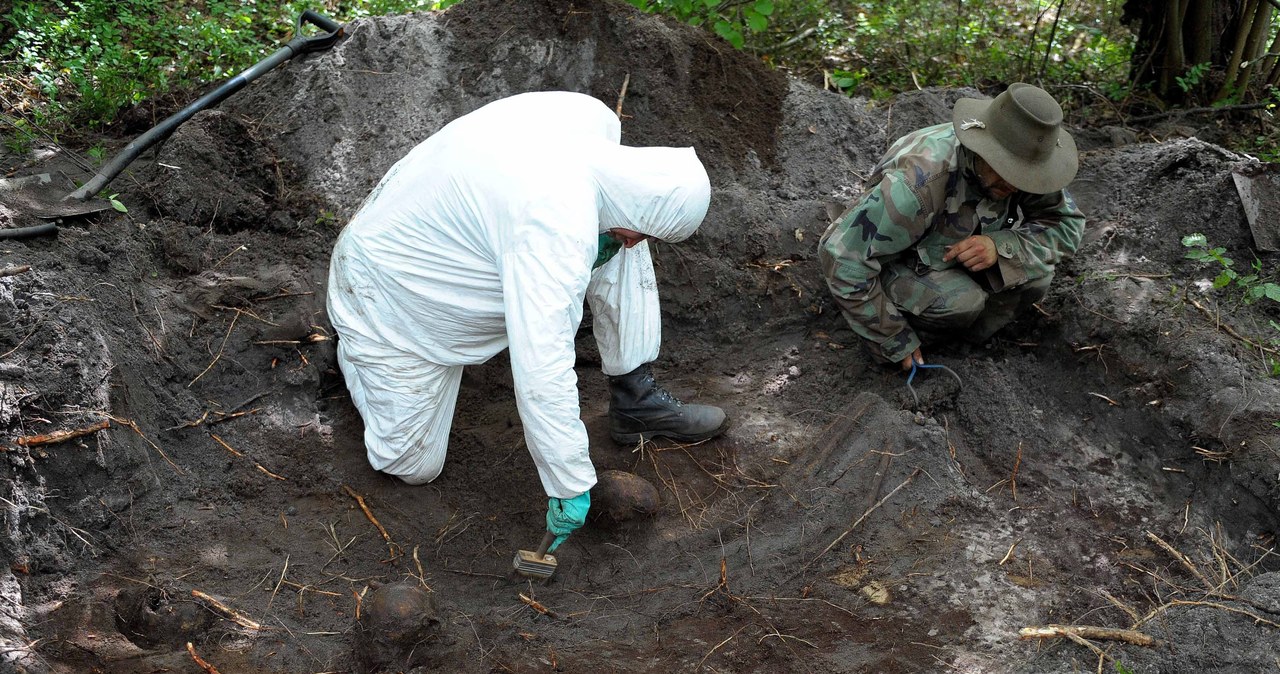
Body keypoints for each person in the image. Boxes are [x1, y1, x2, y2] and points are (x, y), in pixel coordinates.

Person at [326, 92, 728, 552]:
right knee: (411, 464)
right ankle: (356, 348)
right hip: (392, 294)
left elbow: (614, 230)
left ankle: (636, 397)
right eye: (645, 231)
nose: (638, 243)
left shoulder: (590, 125)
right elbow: (542, 368)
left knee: (618, 240)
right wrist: (569, 481)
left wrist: (602, 246)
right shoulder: (552, 223)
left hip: (461, 238)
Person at [819, 83, 1086, 370]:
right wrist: (893, 338)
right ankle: (916, 336)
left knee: (1036, 278)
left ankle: (961, 346)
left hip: (953, 247)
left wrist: (1001, 246)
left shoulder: (1027, 166)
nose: (1016, 185)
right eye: (1007, 171)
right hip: (898, 257)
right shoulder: (916, 184)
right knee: (961, 303)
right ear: (983, 150)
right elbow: (840, 256)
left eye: (1025, 177)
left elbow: (1067, 225)